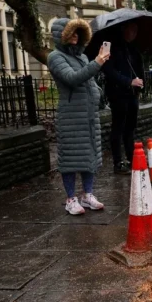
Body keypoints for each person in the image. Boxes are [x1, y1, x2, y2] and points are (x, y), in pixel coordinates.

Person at [47, 18, 111, 215]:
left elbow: (87, 80)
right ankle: (70, 199)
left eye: (78, 32)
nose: (76, 36)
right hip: (71, 117)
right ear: (62, 35)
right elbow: (72, 79)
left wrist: (98, 91)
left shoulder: (82, 58)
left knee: (89, 156)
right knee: (70, 159)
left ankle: (87, 195)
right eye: (72, 32)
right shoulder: (55, 57)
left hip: (89, 115)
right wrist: (98, 62)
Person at [101, 22, 144, 174]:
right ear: (123, 29)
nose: (134, 33)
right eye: (131, 29)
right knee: (118, 127)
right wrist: (128, 82)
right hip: (117, 93)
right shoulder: (109, 46)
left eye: (136, 30)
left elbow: (138, 66)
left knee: (130, 128)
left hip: (132, 93)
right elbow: (108, 70)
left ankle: (132, 159)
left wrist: (140, 81)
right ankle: (118, 162)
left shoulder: (132, 48)